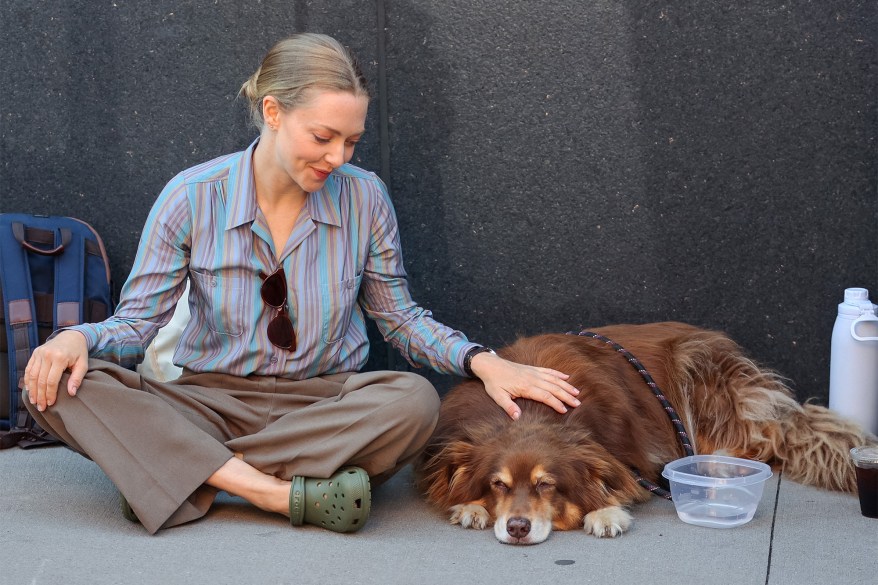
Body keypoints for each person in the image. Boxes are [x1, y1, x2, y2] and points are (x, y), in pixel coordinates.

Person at [22, 33, 580, 535]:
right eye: (323, 136)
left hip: (324, 404)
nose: (338, 157)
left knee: (412, 402)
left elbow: (399, 318)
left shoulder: (364, 198)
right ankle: (273, 494)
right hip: (206, 400)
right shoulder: (191, 197)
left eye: (352, 141)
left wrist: (483, 362)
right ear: (272, 111)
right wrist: (78, 340)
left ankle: (179, 473)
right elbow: (138, 324)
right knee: (62, 381)